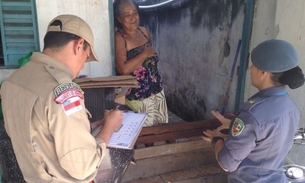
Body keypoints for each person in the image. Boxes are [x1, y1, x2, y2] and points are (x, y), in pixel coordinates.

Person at [0, 14, 123, 183]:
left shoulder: (13, 80)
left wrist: (86, 126)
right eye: (86, 58)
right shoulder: (63, 90)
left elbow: (36, 131)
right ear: (79, 45)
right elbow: (82, 167)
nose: (81, 67)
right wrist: (109, 126)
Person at [203, 39, 305, 183]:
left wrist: (216, 138)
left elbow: (227, 164)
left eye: (254, 66)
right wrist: (233, 124)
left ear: (263, 73)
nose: (251, 68)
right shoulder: (291, 108)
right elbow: (267, 138)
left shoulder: (252, 113)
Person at [113, 0, 168, 126]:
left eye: (135, 13)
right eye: (127, 15)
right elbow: (123, 69)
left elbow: (150, 61)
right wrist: (144, 54)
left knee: (161, 126)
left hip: (156, 89)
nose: (133, 18)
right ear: (119, 19)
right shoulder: (119, 38)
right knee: (144, 131)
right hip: (137, 95)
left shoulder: (144, 31)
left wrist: (147, 55)